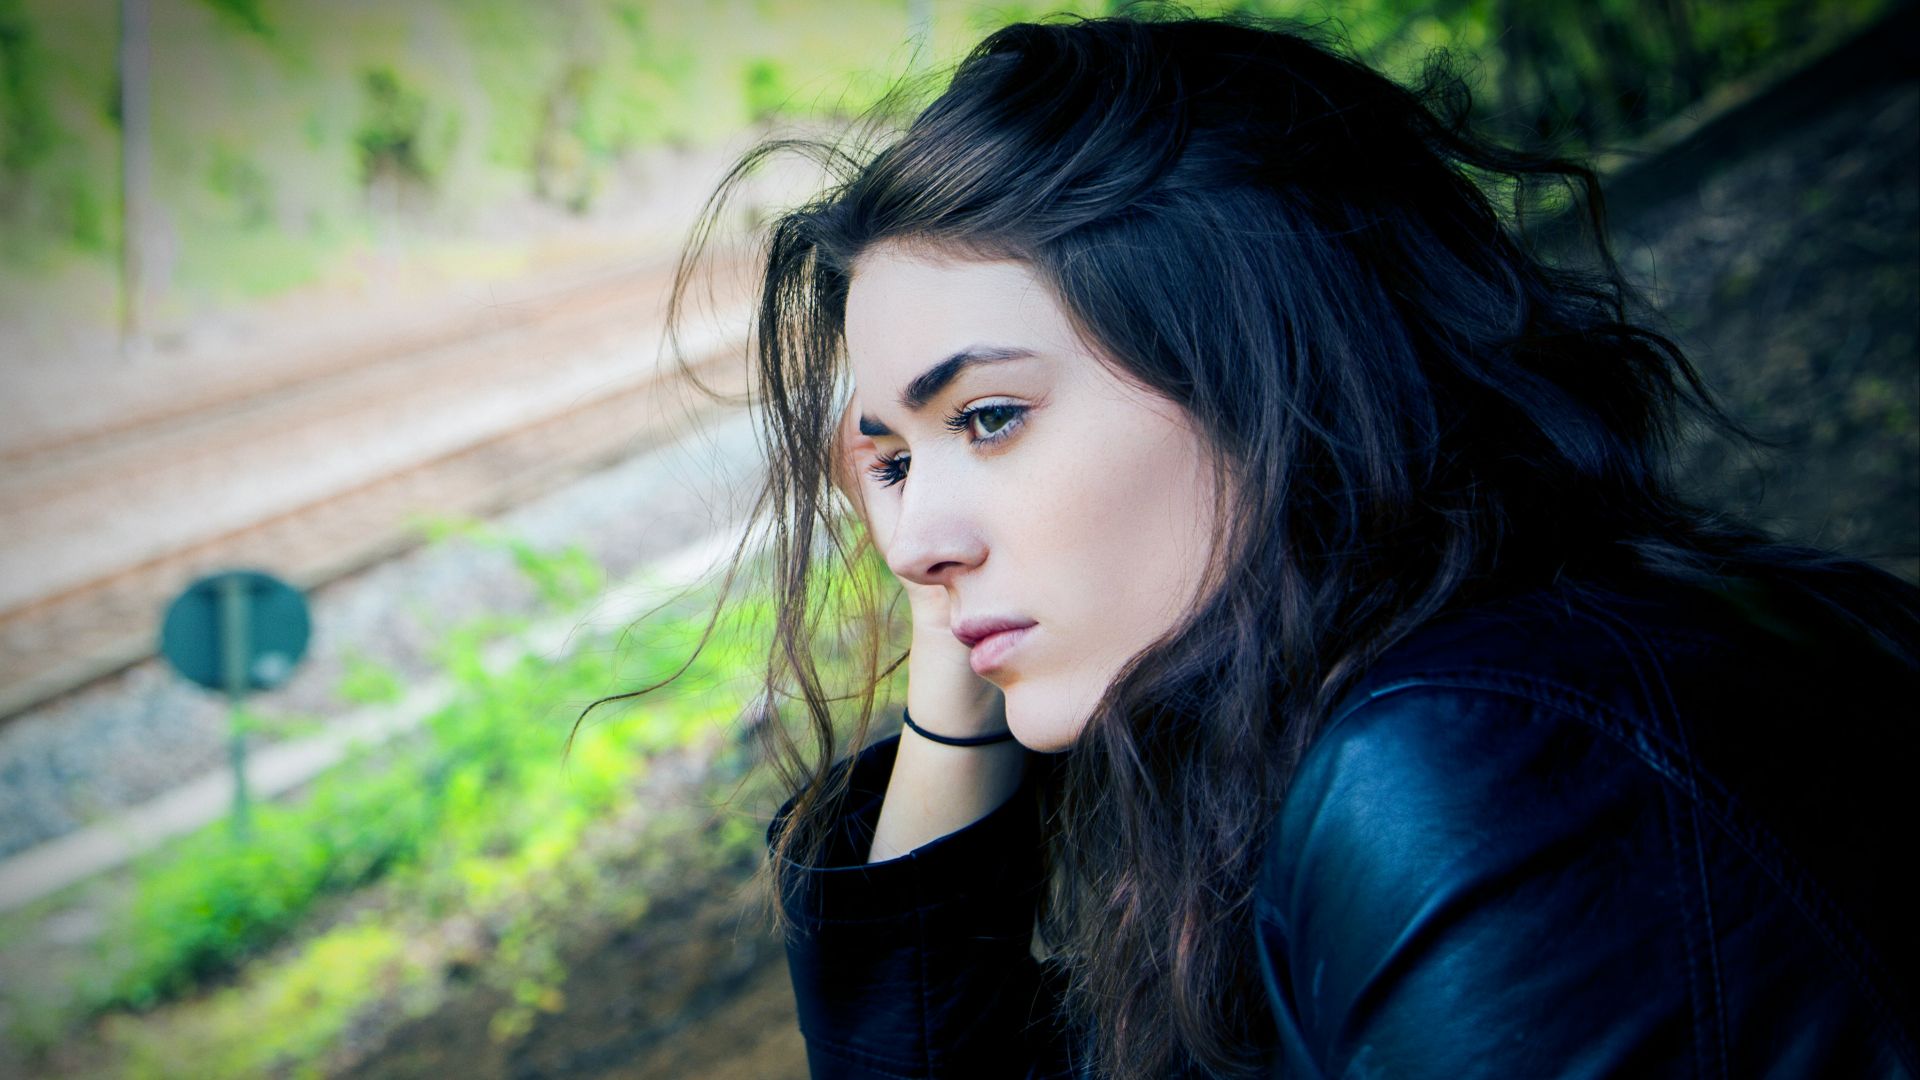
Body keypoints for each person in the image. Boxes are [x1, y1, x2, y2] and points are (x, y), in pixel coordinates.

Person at [596, 10, 1920, 1078]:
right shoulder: (1325, 736)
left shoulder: (1481, 768)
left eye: (990, 417)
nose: (914, 545)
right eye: (886, 460)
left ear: (1270, 377)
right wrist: (957, 714)